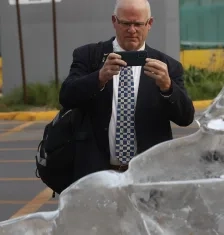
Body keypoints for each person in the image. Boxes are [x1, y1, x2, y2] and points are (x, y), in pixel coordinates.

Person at [59, 0, 195, 180]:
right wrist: (99, 77)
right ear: (114, 21)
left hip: (148, 176)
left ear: (149, 24)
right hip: (96, 174)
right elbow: (67, 97)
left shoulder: (167, 66)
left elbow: (185, 118)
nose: (132, 30)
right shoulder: (89, 56)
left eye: (138, 24)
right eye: (125, 23)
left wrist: (168, 87)